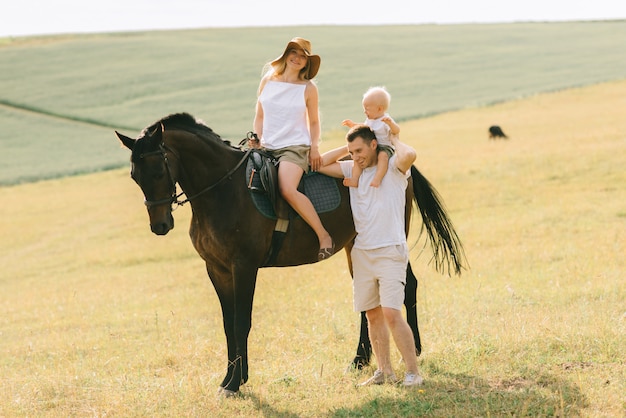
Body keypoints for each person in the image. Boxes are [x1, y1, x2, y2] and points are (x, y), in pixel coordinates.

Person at [319, 124, 423, 387]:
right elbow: (319, 164)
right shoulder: (352, 168)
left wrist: (394, 136)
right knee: (372, 314)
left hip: (390, 250)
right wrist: (348, 148)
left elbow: (410, 155)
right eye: (352, 152)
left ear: (374, 144)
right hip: (362, 252)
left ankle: (413, 373)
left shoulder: (394, 169)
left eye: (360, 150)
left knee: (391, 313)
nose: (356, 157)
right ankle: (384, 371)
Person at [250, 37, 334, 261]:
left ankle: (323, 235)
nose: (297, 58)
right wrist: (256, 138)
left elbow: (314, 122)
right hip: (266, 145)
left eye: (302, 56)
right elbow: (260, 115)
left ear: (307, 62)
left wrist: (314, 147)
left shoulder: (308, 88)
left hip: (294, 147)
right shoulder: (268, 79)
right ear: (286, 55)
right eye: (293, 53)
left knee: (287, 188)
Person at [342, 86, 400, 188]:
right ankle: (355, 180)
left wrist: (391, 124)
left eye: (367, 109)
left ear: (379, 109)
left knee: (383, 157)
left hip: (385, 148)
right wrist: (353, 125)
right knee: (356, 160)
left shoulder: (385, 120)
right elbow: (363, 128)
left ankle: (378, 178)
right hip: (372, 147)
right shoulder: (370, 120)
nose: (365, 112)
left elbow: (396, 131)